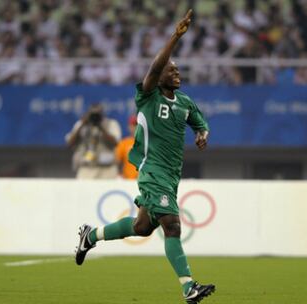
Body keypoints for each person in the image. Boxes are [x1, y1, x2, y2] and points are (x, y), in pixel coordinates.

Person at [74, 10, 215, 304]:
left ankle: (91, 235)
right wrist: (176, 36)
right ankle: (189, 287)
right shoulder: (148, 97)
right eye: (171, 69)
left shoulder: (186, 103)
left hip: (171, 175)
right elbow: (154, 68)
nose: (176, 73)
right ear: (159, 75)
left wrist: (202, 134)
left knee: (142, 227)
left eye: (177, 70)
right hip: (152, 171)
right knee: (173, 225)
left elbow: (201, 124)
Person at [65, 104, 121, 179]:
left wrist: (101, 127)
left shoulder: (111, 124)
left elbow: (116, 142)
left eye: (97, 114)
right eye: (93, 114)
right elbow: (69, 143)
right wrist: (82, 124)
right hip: (86, 168)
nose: (95, 116)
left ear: (102, 113)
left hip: (107, 168)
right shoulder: (81, 124)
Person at [115, 114, 138, 179]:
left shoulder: (149, 143)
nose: (135, 127)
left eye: (137, 125)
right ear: (129, 127)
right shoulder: (124, 143)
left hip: (144, 181)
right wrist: (119, 175)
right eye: (133, 125)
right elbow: (118, 161)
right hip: (128, 181)